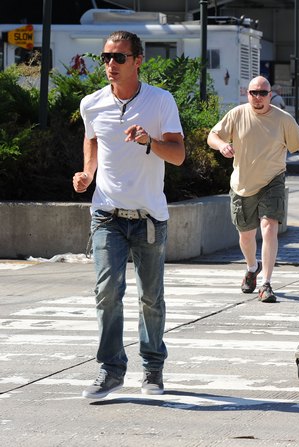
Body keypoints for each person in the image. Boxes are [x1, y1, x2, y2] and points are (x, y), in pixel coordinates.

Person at [72, 31, 186, 399]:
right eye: (106, 57)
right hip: (106, 214)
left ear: (138, 60)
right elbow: (92, 139)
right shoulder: (91, 104)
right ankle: (110, 369)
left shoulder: (160, 101)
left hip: (149, 217)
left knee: (151, 297)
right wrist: (88, 173)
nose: (110, 64)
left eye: (119, 58)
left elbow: (179, 154)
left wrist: (148, 142)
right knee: (107, 292)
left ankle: (152, 368)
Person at [207, 76, 299, 303]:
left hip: (272, 180)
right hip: (242, 184)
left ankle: (267, 284)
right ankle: (252, 268)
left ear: (270, 95)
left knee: (269, 227)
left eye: (262, 93)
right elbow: (212, 135)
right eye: (253, 93)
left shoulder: (283, 120)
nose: (257, 98)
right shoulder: (237, 114)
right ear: (247, 94)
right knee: (246, 236)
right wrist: (222, 146)